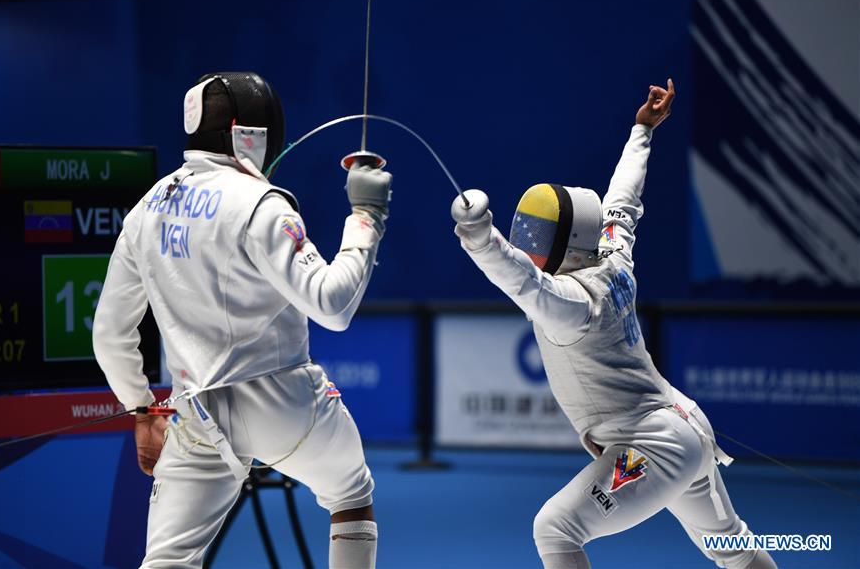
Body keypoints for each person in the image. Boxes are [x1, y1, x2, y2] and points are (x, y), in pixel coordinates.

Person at [450, 79, 776, 569]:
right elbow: (623, 198)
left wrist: (480, 240)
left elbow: (522, 282)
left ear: (570, 242)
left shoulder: (574, 301)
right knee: (731, 546)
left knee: (556, 527)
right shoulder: (611, 256)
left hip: (651, 446)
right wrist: (642, 129)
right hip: (682, 426)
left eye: (539, 237)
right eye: (526, 235)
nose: (529, 247)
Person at [93, 72, 390, 569]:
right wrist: (366, 216)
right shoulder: (261, 202)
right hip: (282, 400)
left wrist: (141, 411)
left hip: (195, 415)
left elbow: (109, 333)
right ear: (250, 135)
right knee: (351, 492)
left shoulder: (147, 208)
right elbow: (333, 306)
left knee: (166, 561)